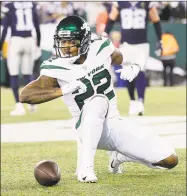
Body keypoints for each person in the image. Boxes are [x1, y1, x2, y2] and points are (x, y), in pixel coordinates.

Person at [19, 16, 178, 183]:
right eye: (62, 41)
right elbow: (25, 95)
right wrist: (63, 90)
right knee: (97, 101)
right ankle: (86, 168)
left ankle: (118, 158)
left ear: (85, 41)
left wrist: (135, 66)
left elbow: (127, 56)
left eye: (71, 42)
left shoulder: (101, 47)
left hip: (114, 123)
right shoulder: (55, 67)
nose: (65, 47)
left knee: (169, 159)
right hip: (84, 127)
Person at [104, 1, 163, 116]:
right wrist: (105, 32)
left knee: (140, 70)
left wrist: (160, 40)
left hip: (141, 44)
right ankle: (132, 101)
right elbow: (112, 17)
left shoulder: (147, 3)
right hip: (125, 44)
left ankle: (140, 101)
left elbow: (155, 19)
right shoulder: (120, 3)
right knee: (127, 73)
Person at [0, 2, 41, 115]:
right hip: (29, 41)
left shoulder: (9, 7)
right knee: (28, 74)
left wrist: (0, 46)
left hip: (16, 40)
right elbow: (37, 28)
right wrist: (38, 45)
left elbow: (4, 30)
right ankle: (32, 103)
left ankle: (19, 106)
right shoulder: (32, 5)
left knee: (13, 74)